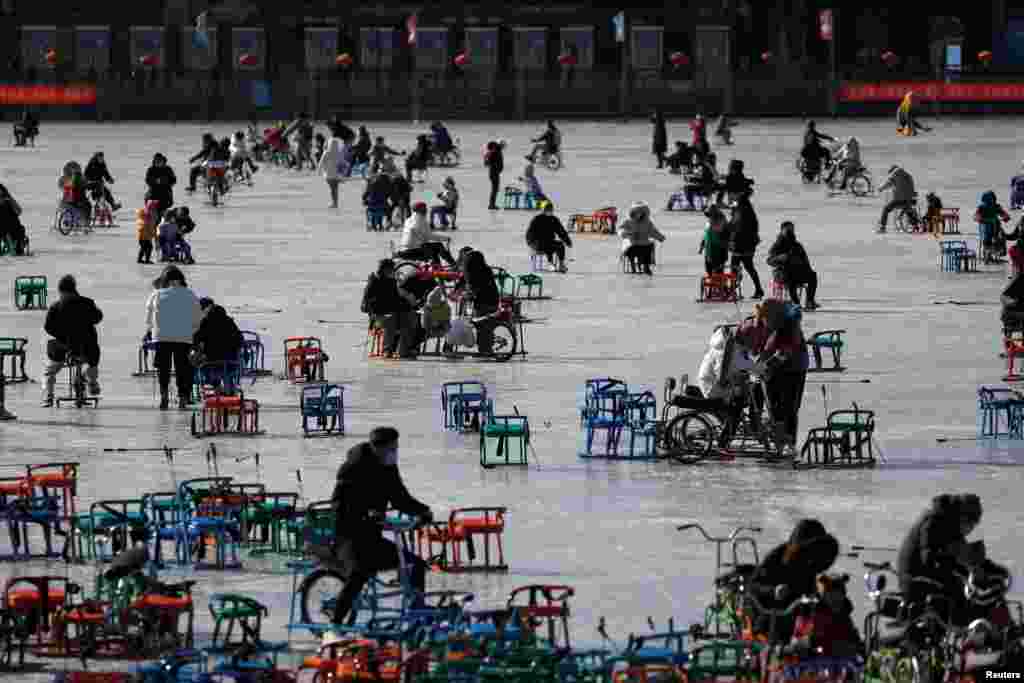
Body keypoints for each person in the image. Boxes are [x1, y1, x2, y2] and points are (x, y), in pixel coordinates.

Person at [324, 426, 433, 630]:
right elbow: (339, 506)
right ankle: (335, 624)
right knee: (360, 571)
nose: (394, 453)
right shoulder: (353, 467)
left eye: (396, 448)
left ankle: (417, 615)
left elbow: (400, 497)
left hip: (371, 537)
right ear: (377, 448)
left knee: (415, 565)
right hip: (347, 536)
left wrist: (422, 511)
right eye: (391, 449)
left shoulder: (389, 467)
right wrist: (364, 515)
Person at [897, 494, 986, 623]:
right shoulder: (933, 521)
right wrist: (957, 566)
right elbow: (928, 557)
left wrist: (975, 566)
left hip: (928, 574)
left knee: (970, 588)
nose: (971, 530)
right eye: (970, 524)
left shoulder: (951, 523)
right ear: (962, 517)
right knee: (961, 594)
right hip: (914, 578)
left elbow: (961, 555)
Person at [748, 519, 839, 640]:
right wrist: (774, 590)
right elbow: (753, 586)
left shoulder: (813, 559)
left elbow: (813, 585)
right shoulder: (776, 557)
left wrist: (828, 589)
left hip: (804, 610)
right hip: (774, 613)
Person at [144, 266, 204, 410]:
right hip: (184, 337)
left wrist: (152, 331)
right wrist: (191, 331)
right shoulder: (190, 295)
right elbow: (198, 319)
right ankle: (183, 398)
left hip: (161, 337)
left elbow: (148, 320)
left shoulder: (156, 294)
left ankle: (164, 396)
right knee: (182, 368)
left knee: (163, 368)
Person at [755, 300, 809, 453]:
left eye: (766, 319)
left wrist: (766, 365)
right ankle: (778, 440)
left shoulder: (791, 328)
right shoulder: (774, 325)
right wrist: (758, 362)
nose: (765, 323)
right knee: (774, 407)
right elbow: (767, 349)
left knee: (789, 407)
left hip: (794, 370)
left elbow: (784, 353)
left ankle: (790, 442)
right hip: (776, 369)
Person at [41, 275, 103, 406]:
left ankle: (48, 395)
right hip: (87, 347)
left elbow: (48, 327)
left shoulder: (56, 306)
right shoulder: (87, 303)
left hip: (64, 348)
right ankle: (91, 380)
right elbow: (98, 318)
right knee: (91, 363)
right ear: (74, 289)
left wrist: (62, 335)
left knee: (49, 371)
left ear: (61, 291)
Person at [789, 574, 862, 658]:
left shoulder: (843, 615)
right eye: (831, 595)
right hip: (812, 659)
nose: (835, 599)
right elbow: (799, 639)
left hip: (838, 661)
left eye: (839, 595)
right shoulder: (812, 612)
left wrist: (858, 646)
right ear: (823, 597)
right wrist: (809, 643)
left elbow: (852, 637)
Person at [361, 259, 419, 358]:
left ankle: (403, 350)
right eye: (391, 270)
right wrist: (377, 310)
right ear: (385, 270)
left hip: (393, 313)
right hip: (377, 316)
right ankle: (387, 350)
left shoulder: (392, 281)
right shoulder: (374, 282)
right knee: (390, 320)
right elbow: (365, 305)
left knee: (409, 317)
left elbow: (397, 300)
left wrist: (410, 306)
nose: (393, 272)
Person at [453, 250, 501, 354]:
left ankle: (485, 348)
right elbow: (462, 282)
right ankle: (485, 346)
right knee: (482, 324)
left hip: (484, 303)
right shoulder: (484, 270)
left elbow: (475, 289)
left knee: (479, 324)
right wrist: (458, 291)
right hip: (492, 301)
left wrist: (463, 294)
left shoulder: (474, 273)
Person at [766, 221, 819, 310]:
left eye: (791, 229)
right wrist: (780, 258)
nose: (790, 231)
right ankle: (796, 303)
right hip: (781, 273)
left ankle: (810, 301)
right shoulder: (777, 245)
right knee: (790, 278)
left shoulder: (797, 245)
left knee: (812, 275)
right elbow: (769, 260)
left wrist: (807, 270)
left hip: (797, 271)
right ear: (782, 231)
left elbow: (805, 261)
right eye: (787, 229)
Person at [395, 202, 456, 267]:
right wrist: (445, 238)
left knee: (434, 247)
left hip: (406, 248)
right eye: (424, 208)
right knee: (438, 246)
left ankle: (437, 266)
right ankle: (453, 264)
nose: (426, 210)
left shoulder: (409, 219)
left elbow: (423, 236)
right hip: (413, 249)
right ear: (420, 210)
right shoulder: (420, 220)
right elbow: (428, 236)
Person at [729, 192, 764, 299]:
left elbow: (736, 227)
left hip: (741, 244)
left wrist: (732, 240)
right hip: (748, 244)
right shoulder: (748, 211)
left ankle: (733, 290)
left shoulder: (741, 212)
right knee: (748, 266)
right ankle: (758, 289)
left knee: (735, 267)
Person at [618, 201, 666, 275]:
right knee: (634, 248)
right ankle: (637, 267)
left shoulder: (647, 222)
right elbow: (621, 229)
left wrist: (660, 237)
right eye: (637, 212)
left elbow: (653, 232)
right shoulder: (628, 221)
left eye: (641, 212)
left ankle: (646, 266)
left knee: (650, 246)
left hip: (644, 244)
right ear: (633, 212)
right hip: (632, 245)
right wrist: (625, 233)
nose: (639, 214)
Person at [193, 297, 243, 366]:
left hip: (213, 360)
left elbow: (197, 338)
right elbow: (239, 338)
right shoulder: (227, 320)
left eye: (202, 309)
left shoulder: (207, 322)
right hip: (232, 360)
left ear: (209, 307)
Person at [526, 201, 573, 272]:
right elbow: (529, 234)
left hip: (549, 242)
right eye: (547, 209)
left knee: (560, 245)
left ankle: (561, 265)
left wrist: (567, 241)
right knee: (546, 244)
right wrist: (531, 244)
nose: (549, 211)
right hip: (537, 243)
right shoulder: (537, 219)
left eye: (550, 209)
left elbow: (561, 231)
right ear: (543, 210)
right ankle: (550, 263)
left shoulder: (554, 219)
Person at [876, 165, 916, 234]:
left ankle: (882, 228)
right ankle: (915, 225)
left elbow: (888, 183)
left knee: (886, 209)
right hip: (909, 199)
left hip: (899, 199)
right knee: (907, 209)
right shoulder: (907, 175)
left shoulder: (895, 174)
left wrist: (880, 188)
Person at [317, 123, 348, 209]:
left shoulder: (327, 152)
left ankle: (334, 203)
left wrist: (319, 170)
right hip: (336, 173)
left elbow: (321, 162)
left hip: (329, 174)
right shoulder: (339, 152)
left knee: (333, 189)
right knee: (335, 188)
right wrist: (344, 172)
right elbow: (344, 163)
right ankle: (335, 203)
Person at [975, 191, 1011, 263]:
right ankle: (987, 252)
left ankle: (1000, 250)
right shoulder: (981, 207)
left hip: (996, 225)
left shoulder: (996, 206)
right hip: (985, 226)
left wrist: (1005, 217)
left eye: (992, 199)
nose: (991, 201)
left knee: (1002, 235)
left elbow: (1003, 213)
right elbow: (976, 216)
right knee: (987, 235)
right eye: (989, 199)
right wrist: (980, 219)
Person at [144, 153, 176, 222]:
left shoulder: (168, 169)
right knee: (153, 212)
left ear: (163, 161)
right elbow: (147, 180)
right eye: (156, 161)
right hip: (153, 194)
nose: (158, 163)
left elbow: (173, 180)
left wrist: (166, 182)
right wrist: (156, 181)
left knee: (162, 212)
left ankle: (163, 221)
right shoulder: (151, 169)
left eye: (159, 161)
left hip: (165, 194)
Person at [699, 206, 730, 275]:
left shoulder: (722, 221)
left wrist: (727, 244)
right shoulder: (709, 222)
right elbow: (705, 234)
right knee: (708, 269)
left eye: (710, 214)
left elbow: (727, 234)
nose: (709, 216)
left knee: (718, 270)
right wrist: (702, 245)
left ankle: (720, 280)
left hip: (719, 249)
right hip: (709, 249)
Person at [0, 184, 29, 256]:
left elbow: (19, 211)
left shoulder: (8, 201)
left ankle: (15, 245)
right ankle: (12, 245)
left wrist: (10, 200)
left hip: (14, 230)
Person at [484, 140, 505, 210]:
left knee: (495, 189)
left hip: (495, 173)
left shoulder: (496, 151)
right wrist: (494, 165)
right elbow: (487, 162)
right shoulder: (495, 151)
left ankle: (492, 204)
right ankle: (491, 205)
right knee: (495, 190)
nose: (504, 147)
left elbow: (487, 161)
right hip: (494, 173)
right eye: (503, 145)